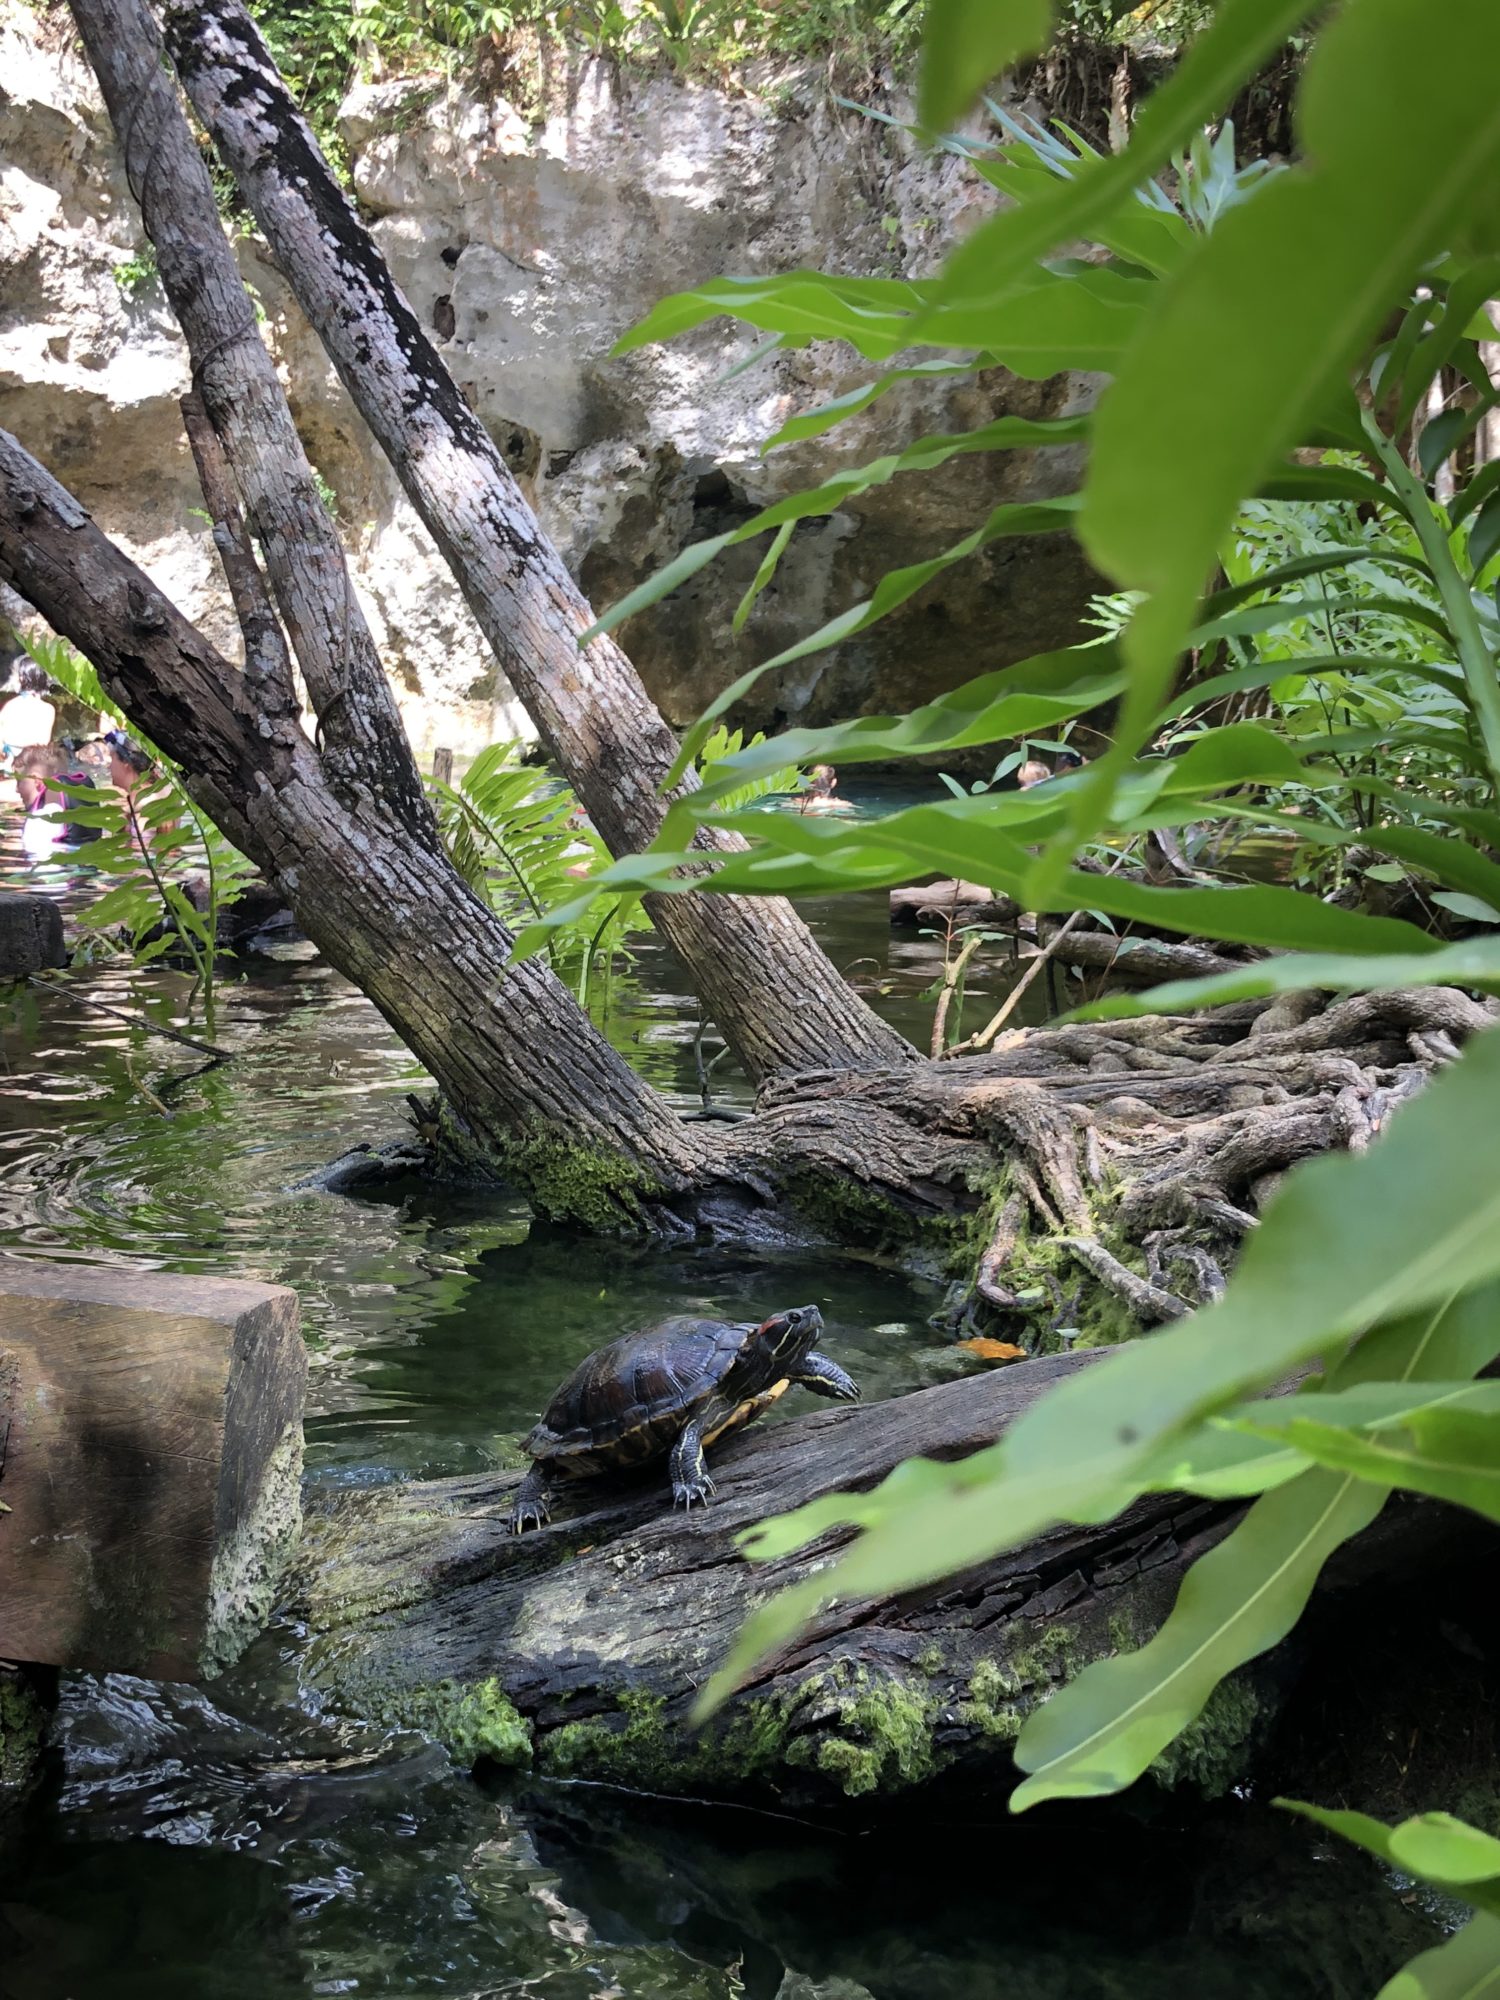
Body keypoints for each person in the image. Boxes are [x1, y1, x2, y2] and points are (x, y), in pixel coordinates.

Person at [13, 743, 101, 863]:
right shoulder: (80, 811)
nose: (16, 789)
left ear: (37, 781)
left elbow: (40, 870)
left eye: (19, 782)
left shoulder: (40, 819)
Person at [0, 662, 56, 766]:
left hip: (8, 759)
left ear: (22, 678)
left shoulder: (10, 705)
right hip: (32, 764)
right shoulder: (48, 709)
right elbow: (43, 742)